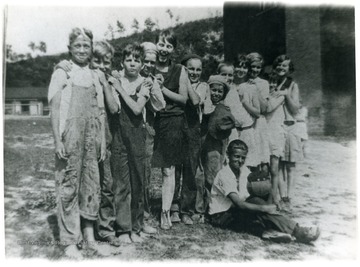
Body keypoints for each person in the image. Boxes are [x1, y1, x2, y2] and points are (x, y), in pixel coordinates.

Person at [55, 40, 122, 247]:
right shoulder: (79, 75)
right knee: (83, 184)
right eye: (97, 61)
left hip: (106, 140)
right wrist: (60, 65)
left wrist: (105, 83)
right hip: (84, 141)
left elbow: (113, 109)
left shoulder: (109, 80)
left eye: (106, 62)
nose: (101, 65)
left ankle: (106, 228)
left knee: (105, 185)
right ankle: (83, 232)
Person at [48, 28, 107, 259]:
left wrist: (101, 140)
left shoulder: (94, 75)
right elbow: (54, 109)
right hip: (70, 135)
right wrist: (57, 141)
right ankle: (70, 240)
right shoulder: (63, 72)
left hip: (92, 135)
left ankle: (89, 237)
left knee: (91, 184)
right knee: (69, 184)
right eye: (78, 46)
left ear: (91, 49)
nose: (82, 50)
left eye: (86, 46)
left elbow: (100, 111)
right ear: (70, 48)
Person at [208, 139, 320, 244]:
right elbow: (239, 203)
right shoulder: (224, 174)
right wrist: (264, 208)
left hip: (234, 211)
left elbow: (256, 193)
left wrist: (270, 199)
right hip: (221, 216)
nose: (240, 161)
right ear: (228, 156)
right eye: (236, 157)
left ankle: (274, 232)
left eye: (243, 158)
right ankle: (296, 231)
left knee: (257, 202)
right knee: (256, 210)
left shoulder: (244, 171)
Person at [108, 43, 158, 243]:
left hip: (138, 136)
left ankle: (137, 228)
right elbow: (114, 109)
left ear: (141, 64)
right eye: (128, 60)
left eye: (137, 60)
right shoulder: (116, 79)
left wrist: (119, 88)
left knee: (138, 183)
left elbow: (137, 110)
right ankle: (123, 230)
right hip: (119, 136)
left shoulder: (145, 83)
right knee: (121, 185)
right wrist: (115, 84)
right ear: (122, 62)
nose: (132, 64)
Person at [151, 30, 189, 230]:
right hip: (150, 121)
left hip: (172, 121)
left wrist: (162, 88)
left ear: (173, 49)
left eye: (169, 45)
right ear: (155, 44)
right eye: (161, 44)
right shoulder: (147, 66)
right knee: (144, 168)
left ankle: (165, 211)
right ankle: (140, 210)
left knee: (168, 169)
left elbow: (184, 99)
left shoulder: (179, 70)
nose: (164, 49)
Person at [172, 54, 210, 225]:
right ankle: (172, 207)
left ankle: (186, 209)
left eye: (198, 69)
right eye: (190, 69)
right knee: (174, 169)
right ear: (184, 68)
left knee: (190, 169)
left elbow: (194, 101)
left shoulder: (203, 86)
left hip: (193, 129)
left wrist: (184, 79)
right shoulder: (175, 82)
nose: (194, 72)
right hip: (176, 126)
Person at [139, 41, 166, 228]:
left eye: (152, 62)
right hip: (126, 129)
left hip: (146, 129)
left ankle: (144, 211)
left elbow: (160, 105)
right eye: (145, 61)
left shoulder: (152, 80)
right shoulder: (125, 74)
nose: (148, 65)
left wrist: (152, 87)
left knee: (145, 172)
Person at [199, 75, 235, 212]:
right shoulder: (204, 104)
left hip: (215, 146)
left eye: (220, 91)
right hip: (202, 141)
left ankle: (211, 206)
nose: (216, 93)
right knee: (199, 174)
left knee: (212, 174)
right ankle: (199, 205)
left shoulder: (224, 109)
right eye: (213, 90)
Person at [272, 55, 302, 208]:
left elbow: (295, 109)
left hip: (290, 126)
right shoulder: (271, 83)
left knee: (290, 165)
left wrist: (286, 94)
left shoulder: (292, 84)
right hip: (276, 127)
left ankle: (289, 197)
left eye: (285, 66)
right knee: (277, 166)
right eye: (279, 65)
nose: (281, 68)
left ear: (289, 69)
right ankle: (282, 196)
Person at [246, 52, 271, 175]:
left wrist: (255, 89)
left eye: (258, 67)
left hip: (259, 123)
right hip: (246, 122)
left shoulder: (263, 83)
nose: (255, 70)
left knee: (262, 157)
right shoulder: (243, 81)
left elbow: (265, 108)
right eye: (252, 66)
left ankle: (263, 189)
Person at [217, 62, 244, 142]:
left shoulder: (235, 91)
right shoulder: (215, 91)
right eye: (223, 74)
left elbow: (239, 113)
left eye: (230, 75)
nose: (227, 78)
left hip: (233, 129)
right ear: (218, 74)